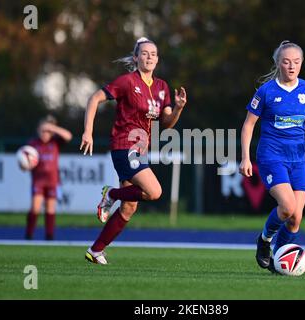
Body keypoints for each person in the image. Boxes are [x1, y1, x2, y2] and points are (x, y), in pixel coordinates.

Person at [80, 37, 187, 264]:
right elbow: (94, 98)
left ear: (157, 60)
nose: (149, 57)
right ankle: (110, 194)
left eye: (153, 54)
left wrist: (177, 108)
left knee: (128, 208)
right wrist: (87, 132)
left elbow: (166, 123)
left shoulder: (162, 87)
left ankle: (95, 250)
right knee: (154, 191)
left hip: (140, 149)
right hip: (124, 145)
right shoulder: (127, 81)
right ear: (136, 57)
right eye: (145, 53)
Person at [239, 41, 305, 273]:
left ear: (301, 63)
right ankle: (264, 241)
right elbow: (248, 125)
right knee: (287, 207)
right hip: (271, 157)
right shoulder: (266, 91)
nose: (291, 66)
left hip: (298, 160)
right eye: (286, 61)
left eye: (296, 61)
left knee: (295, 219)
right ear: (277, 63)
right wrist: (245, 157)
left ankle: (277, 261)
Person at [25, 115, 73, 240]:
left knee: (50, 209)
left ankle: (49, 236)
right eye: (42, 130)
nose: (44, 134)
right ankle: (29, 235)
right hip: (38, 181)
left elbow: (69, 136)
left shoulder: (55, 142)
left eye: (47, 131)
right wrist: (25, 165)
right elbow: (24, 158)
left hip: (53, 181)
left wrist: (52, 127)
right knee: (35, 208)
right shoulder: (33, 144)